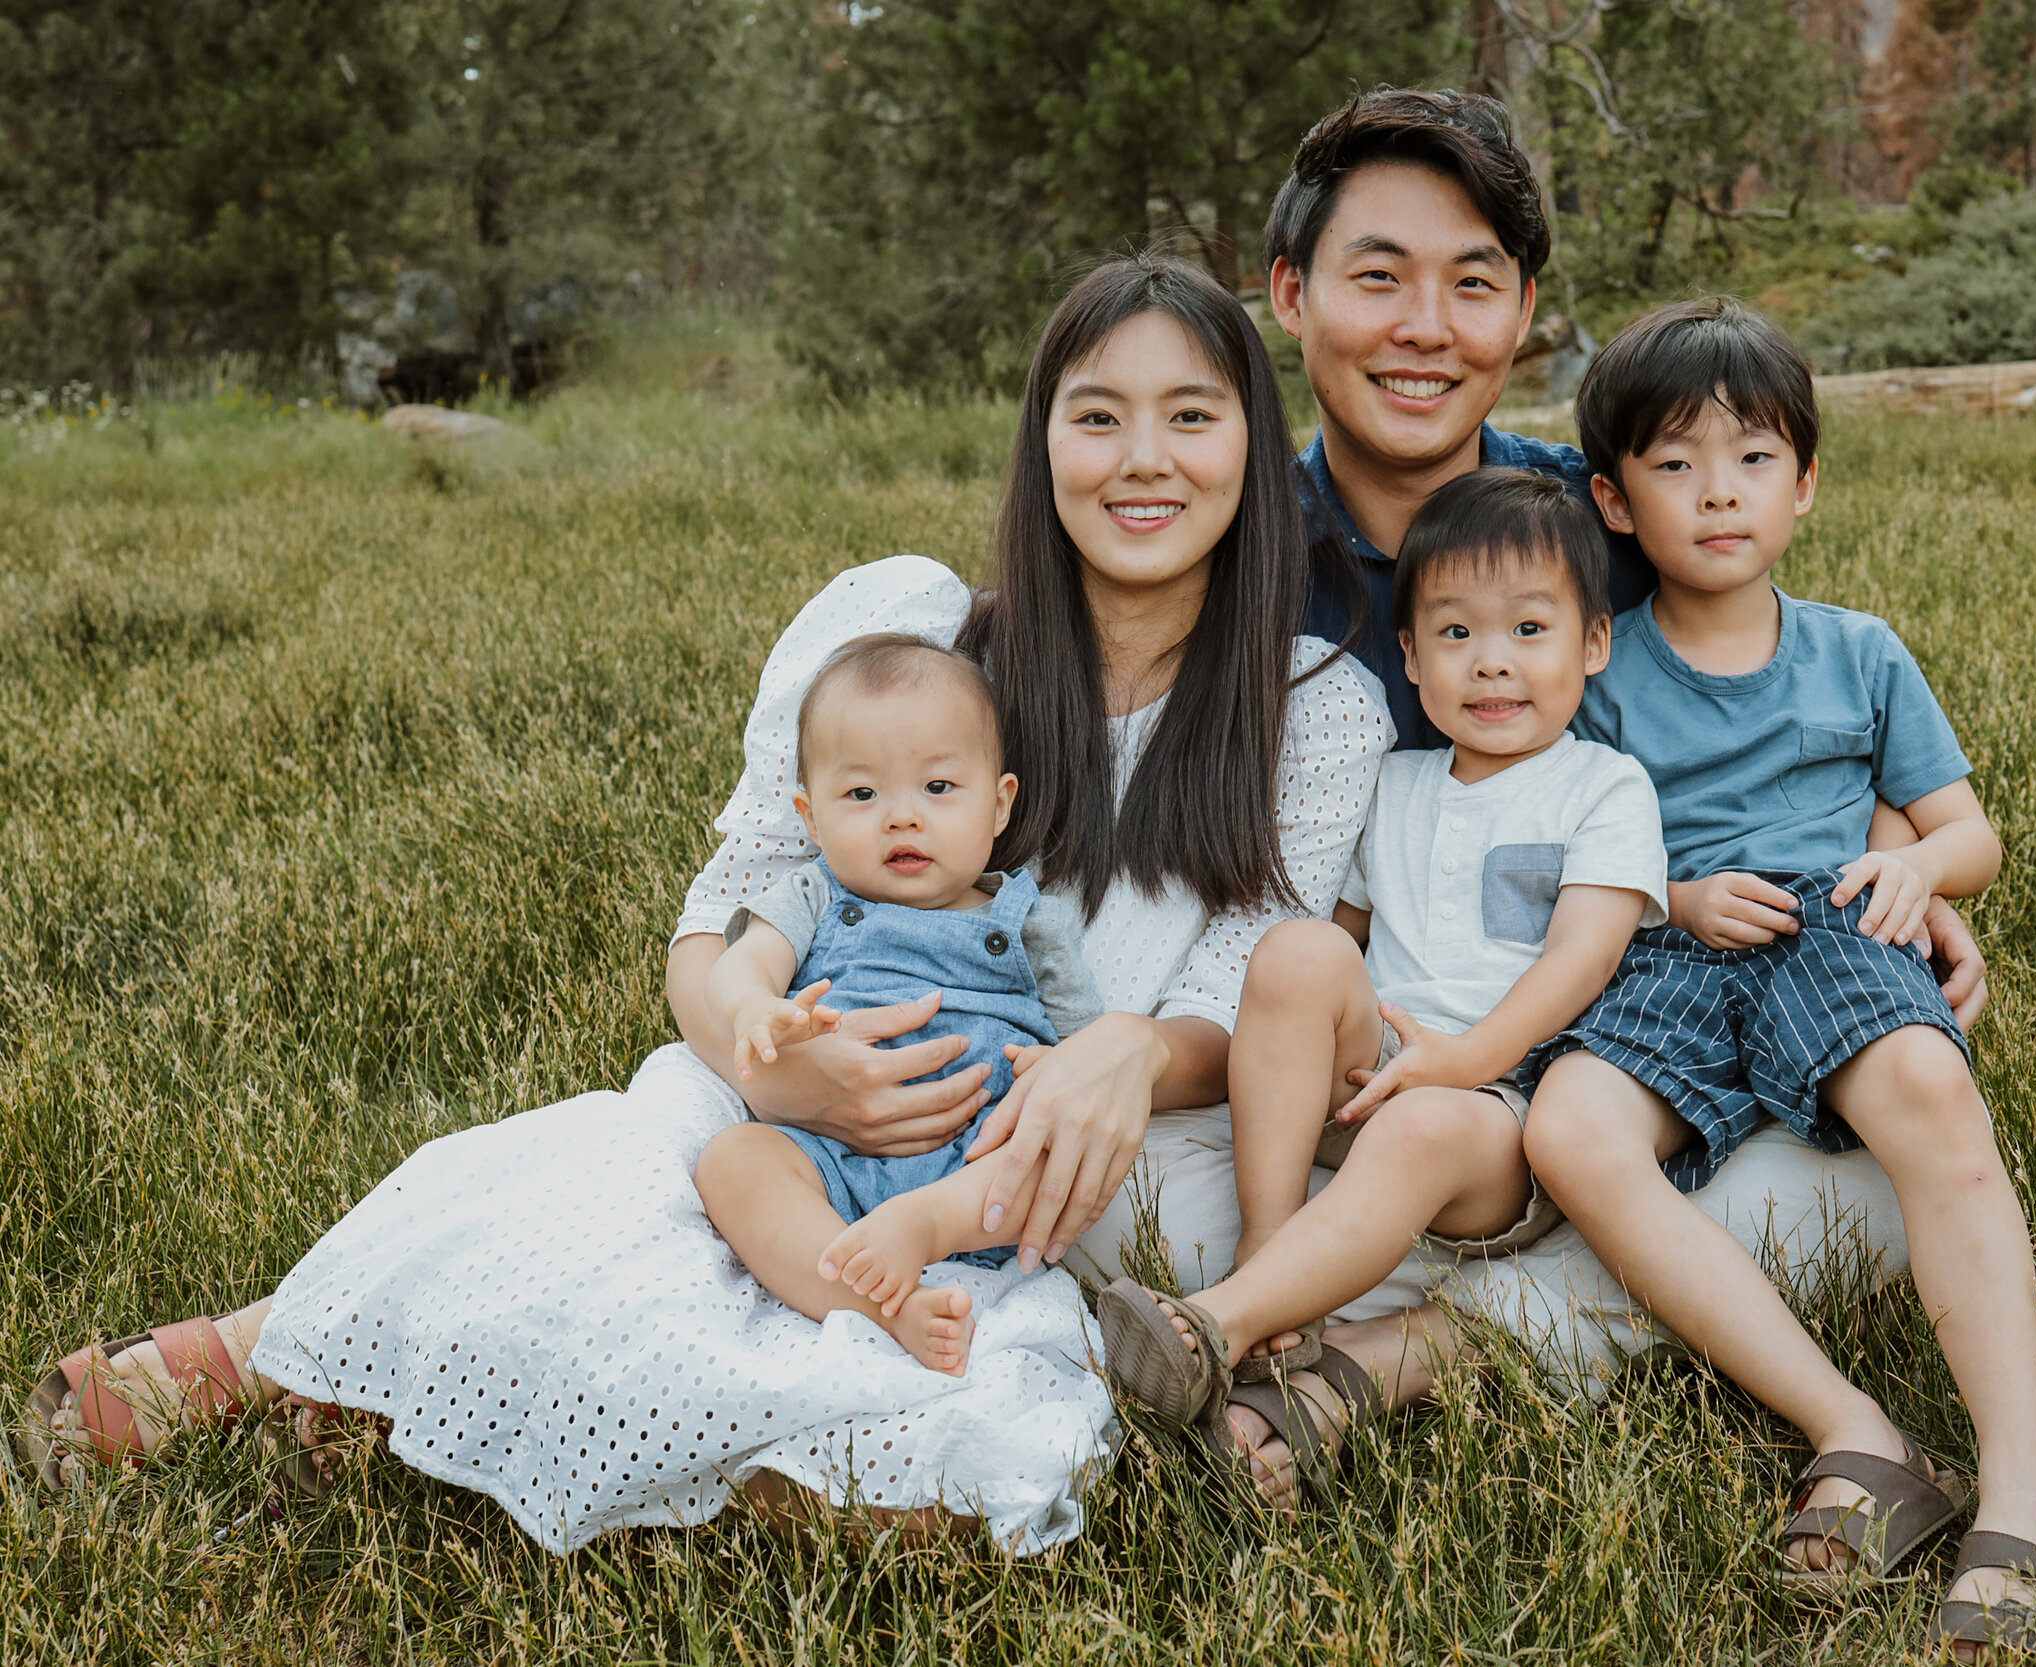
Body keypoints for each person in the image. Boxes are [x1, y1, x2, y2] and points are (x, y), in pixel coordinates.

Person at [20, 253, 1394, 1555]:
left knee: (939, 1472)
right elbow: (725, 921)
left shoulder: (1312, 702)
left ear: (1251, 446)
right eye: (1098, 416)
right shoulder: (916, 641)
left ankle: (446, 1419)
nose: (1144, 460)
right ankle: (271, 1357)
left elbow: (1245, 976)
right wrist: (768, 1048)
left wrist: (1119, 1057)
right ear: (1043, 444)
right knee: (614, 1183)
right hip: (794, 1126)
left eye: (1191, 416)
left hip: (1068, 1171)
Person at [1066, 86, 1996, 1513]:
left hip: (1623, 1066)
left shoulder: (1609, 524)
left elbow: (1808, 711)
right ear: (1292, 296)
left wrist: (1890, 873)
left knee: (1856, 1183)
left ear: (1525, 312)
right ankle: (1360, 1316)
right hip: (1339, 1071)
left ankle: (1405, 1344)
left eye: (1473, 283)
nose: (1426, 325)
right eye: (1379, 276)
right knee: (1153, 1208)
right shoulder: (1227, 539)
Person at [1520, 298, 2036, 1660]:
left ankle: (2023, 1475)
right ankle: (1861, 1430)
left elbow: (1970, 829)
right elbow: (1552, 847)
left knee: (1933, 1094)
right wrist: (1672, 893)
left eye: (1755, 456)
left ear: (1807, 480)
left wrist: (1923, 871)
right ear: (1610, 498)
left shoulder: (1858, 650)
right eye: (1674, 462)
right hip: (1669, 944)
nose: (1719, 490)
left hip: (1833, 924)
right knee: (1571, 1129)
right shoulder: (1598, 666)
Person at [1094, 470, 1666, 1468]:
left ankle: (1219, 1325)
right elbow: (1340, 941)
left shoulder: (1602, 786)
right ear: (1408, 653)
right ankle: (1271, 1260)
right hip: (1374, 1085)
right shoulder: (1395, 782)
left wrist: (1461, 1057)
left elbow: (1585, 954)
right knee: (1297, 947)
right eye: (1454, 635)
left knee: (1426, 1121)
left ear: (1594, 644)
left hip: (1502, 1114)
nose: (1491, 665)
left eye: (1529, 631)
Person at [692, 635, 1105, 1375]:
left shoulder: (1028, 918)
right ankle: (887, 1307)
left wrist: (1060, 1066)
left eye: (938, 789)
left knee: (1048, 1152)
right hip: (831, 1156)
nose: (901, 817)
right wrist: (753, 1007)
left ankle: (920, 1228)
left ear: (1000, 803)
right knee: (733, 1161)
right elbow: (742, 963)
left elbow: (1088, 1047)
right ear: (810, 817)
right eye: (862, 794)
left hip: (980, 1162)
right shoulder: (814, 893)